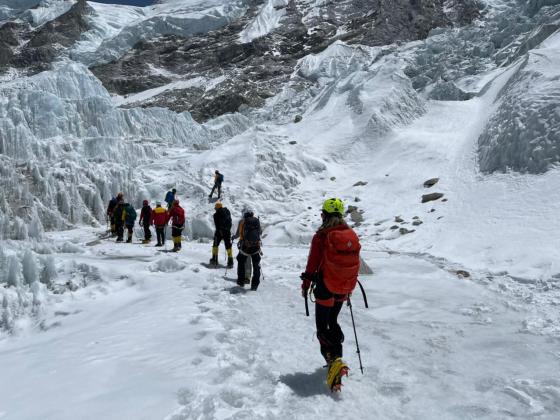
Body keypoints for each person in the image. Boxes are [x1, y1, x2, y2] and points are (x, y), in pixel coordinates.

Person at [300, 198, 361, 392]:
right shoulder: (350, 234)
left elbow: (312, 263)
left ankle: (334, 360)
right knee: (332, 321)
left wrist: (306, 283)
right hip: (343, 288)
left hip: (325, 287)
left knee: (321, 328)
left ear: (324, 215)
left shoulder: (322, 235)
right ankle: (337, 354)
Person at [235, 209, 262, 290]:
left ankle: (241, 281)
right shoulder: (256, 221)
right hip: (256, 247)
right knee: (256, 265)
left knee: (240, 261)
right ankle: (255, 285)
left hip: (245, 247)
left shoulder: (243, 222)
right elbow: (260, 232)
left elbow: (240, 234)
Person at [210, 202, 233, 268]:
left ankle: (214, 259)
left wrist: (219, 232)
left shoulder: (216, 214)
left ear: (217, 208)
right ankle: (230, 260)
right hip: (227, 231)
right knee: (228, 246)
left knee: (215, 245)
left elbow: (217, 225)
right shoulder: (227, 211)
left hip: (219, 231)